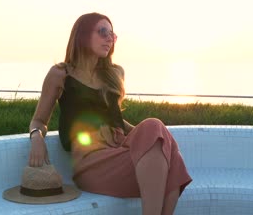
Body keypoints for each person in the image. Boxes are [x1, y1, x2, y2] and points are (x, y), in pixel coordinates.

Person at [27, 12, 192, 215]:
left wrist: (157, 138)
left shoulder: (115, 74)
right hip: (91, 162)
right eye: (102, 31)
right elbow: (39, 120)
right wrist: (36, 137)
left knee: (164, 143)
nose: (109, 38)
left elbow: (116, 121)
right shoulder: (60, 74)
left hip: (120, 150)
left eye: (112, 35)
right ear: (82, 35)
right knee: (159, 135)